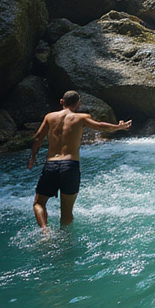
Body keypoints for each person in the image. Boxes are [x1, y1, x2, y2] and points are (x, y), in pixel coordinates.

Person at [28, 90, 132, 229]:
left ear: (61, 101)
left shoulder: (49, 117)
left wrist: (33, 157)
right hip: (70, 166)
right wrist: (119, 127)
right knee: (66, 212)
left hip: (51, 164)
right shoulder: (81, 118)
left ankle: (45, 231)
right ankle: (65, 238)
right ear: (78, 103)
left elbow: (37, 138)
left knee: (39, 203)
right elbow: (100, 126)